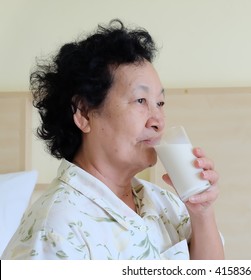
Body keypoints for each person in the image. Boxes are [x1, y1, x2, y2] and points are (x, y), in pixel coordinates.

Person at [2, 19, 224, 260]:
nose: (157, 120)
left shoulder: (165, 203)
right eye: (141, 101)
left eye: (160, 103)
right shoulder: (56, 230)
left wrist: (201, 211)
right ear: (84, 113)